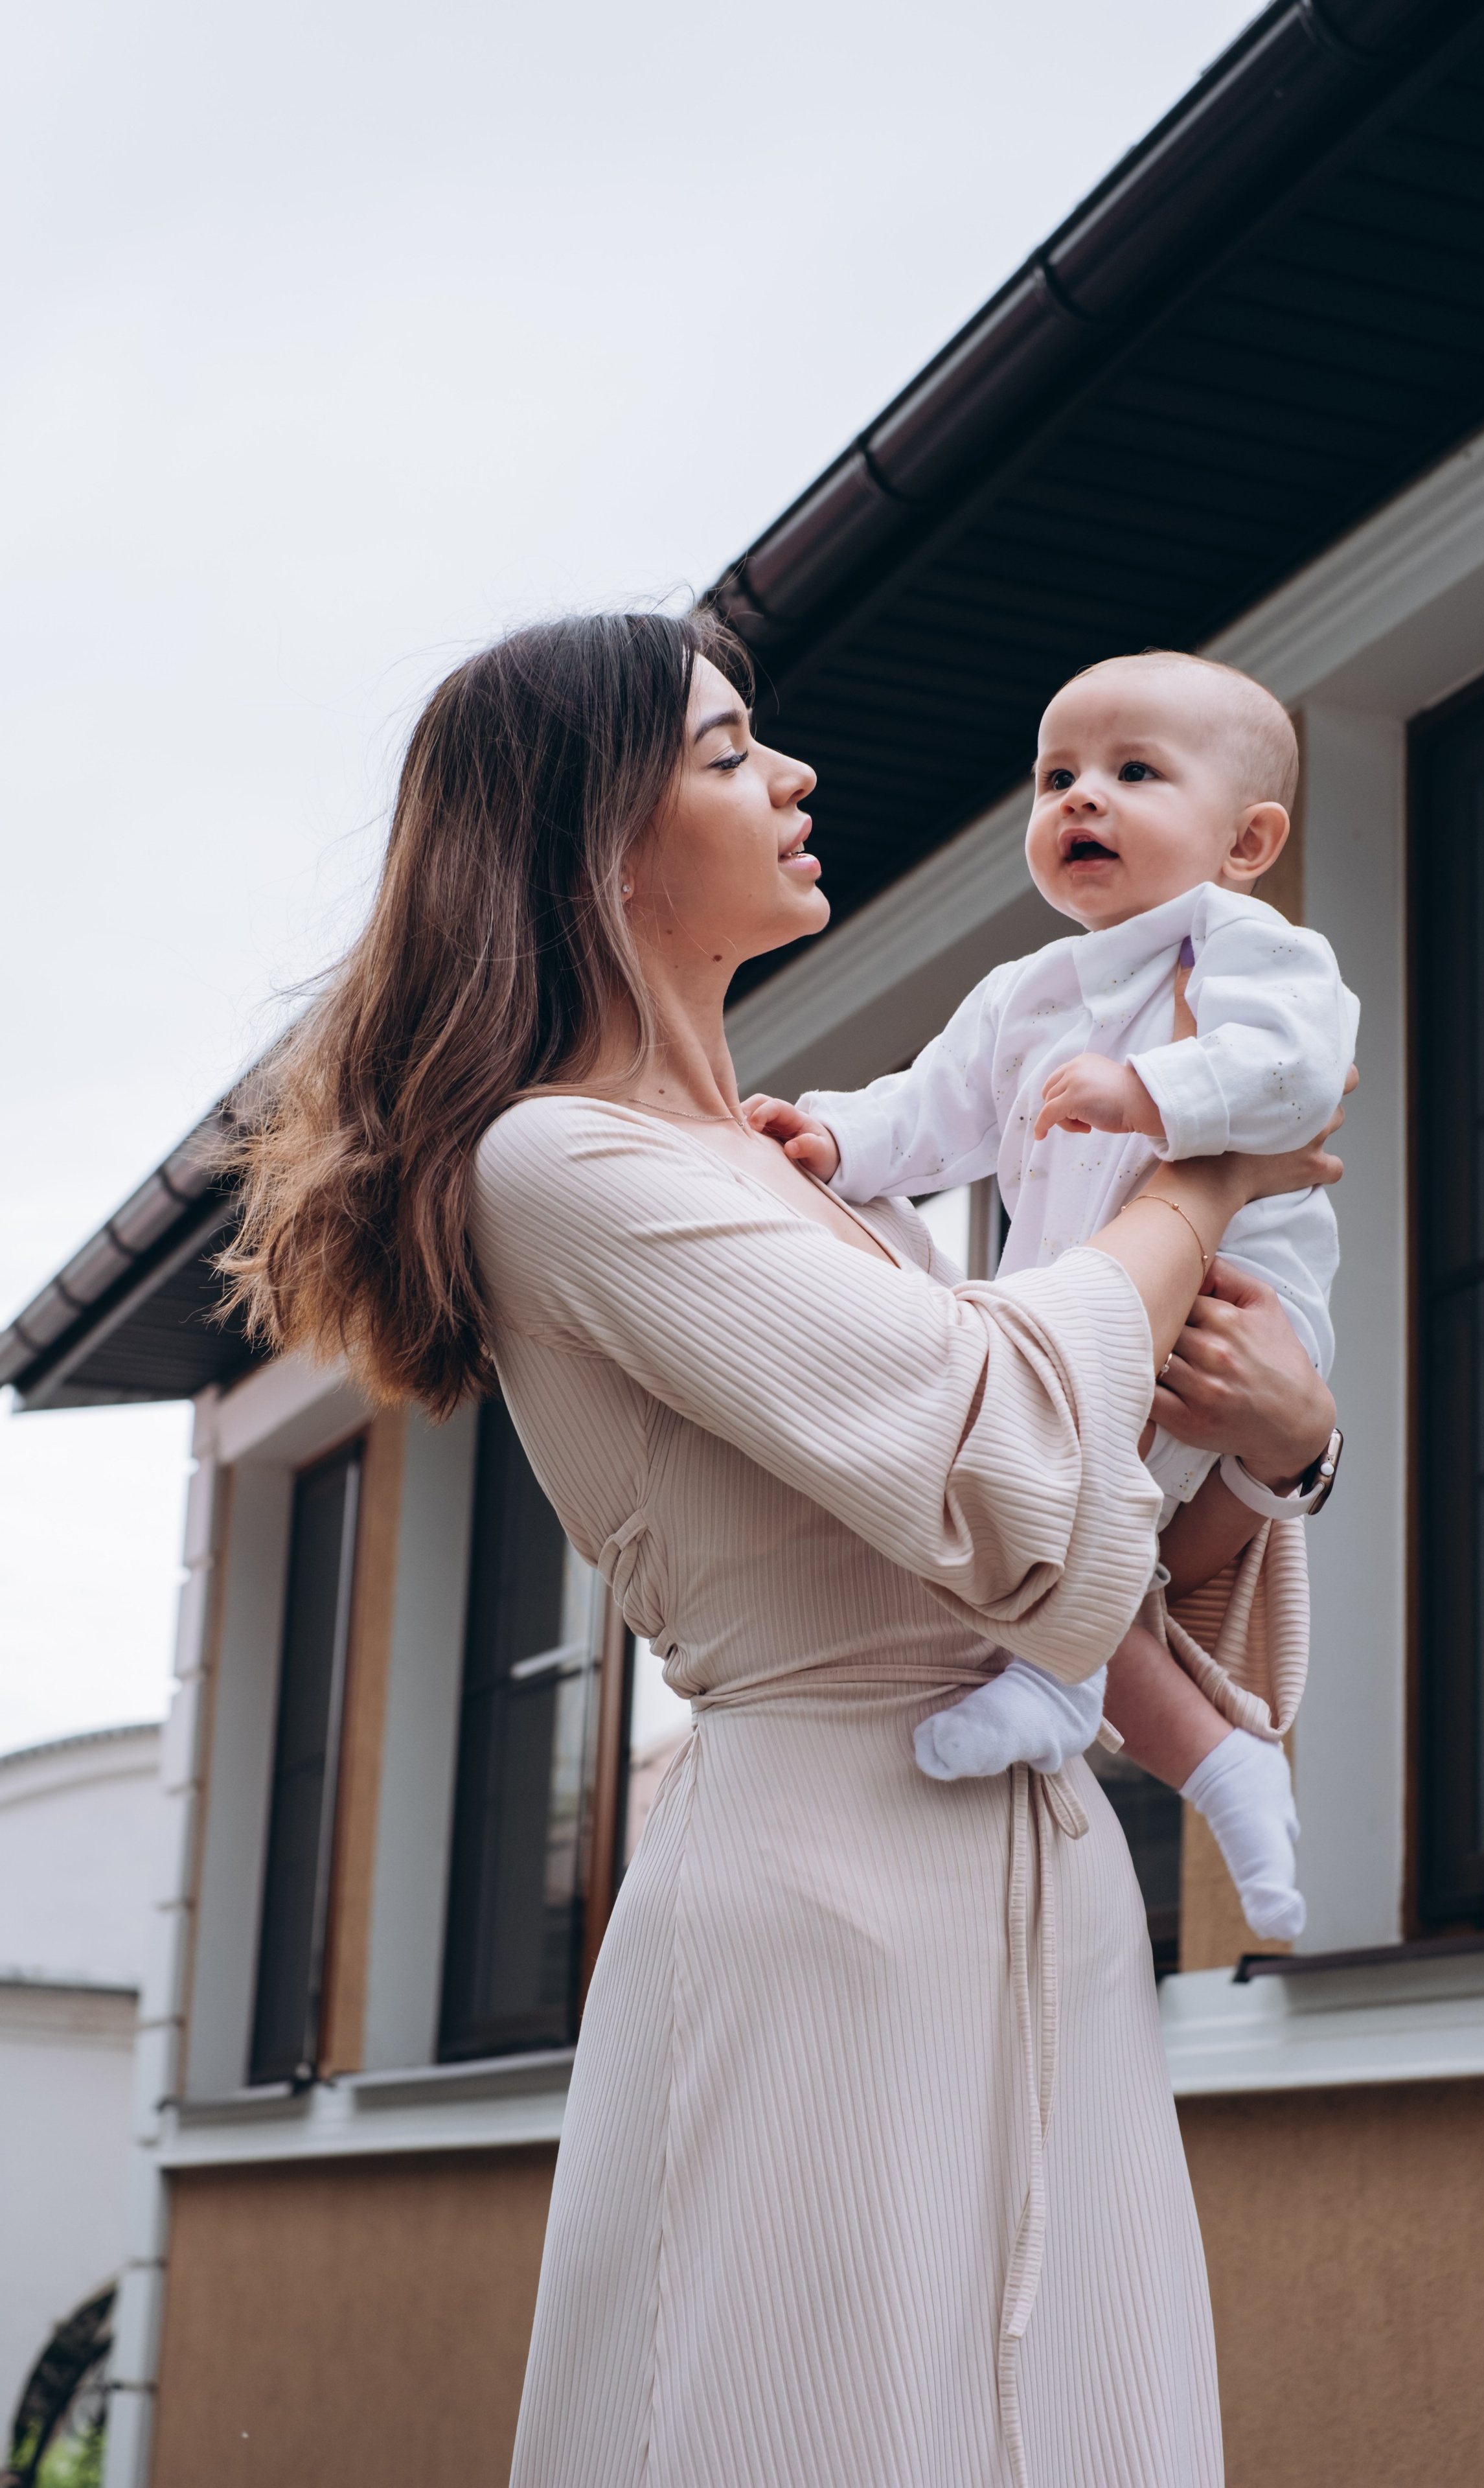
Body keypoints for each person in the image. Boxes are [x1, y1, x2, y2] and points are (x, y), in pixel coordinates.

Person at [220, 612, 1345, 2488]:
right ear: (601, 845)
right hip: (827, 1893)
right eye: (733, 751)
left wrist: (1286, 1454)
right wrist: (1202, 1176)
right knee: (797, 2416)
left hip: (1049, 1893)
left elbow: (1085, 1538)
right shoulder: (563, 1167)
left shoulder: (793, 1173)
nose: (795, 775)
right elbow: (1002, 1464)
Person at [744, 651, 1357, 1941]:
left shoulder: (1247, 945)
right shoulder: (1021, 995)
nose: (1081, 799)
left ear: (1245, 841)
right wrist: (833, 1141)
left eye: (1132, 773)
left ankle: (1065, 1680)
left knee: (1041, 1495)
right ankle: (1205, 1756)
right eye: (1055, 778)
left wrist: (1158, 1098)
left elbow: (1300, 1075)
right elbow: (933, 1110)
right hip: (1092, 1323)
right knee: (1047, 1511)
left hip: (1232, 1306)